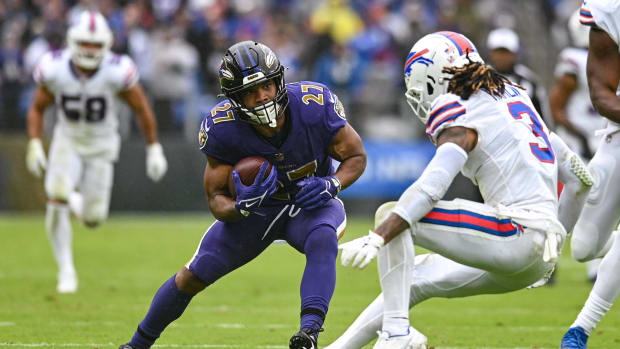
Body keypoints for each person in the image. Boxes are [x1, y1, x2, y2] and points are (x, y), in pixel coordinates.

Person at [326, 31, 593, 349]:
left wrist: (380, 234)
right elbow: (580, 178)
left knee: (392, 214)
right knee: (411, 278)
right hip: (534, 251)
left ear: (433, 74)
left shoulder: (458, 104)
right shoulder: (514, 95)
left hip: (514, 233)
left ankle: (397, 336)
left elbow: (431, 189)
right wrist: (554, 245)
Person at [118, 41, 366, 349]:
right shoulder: (223, 128)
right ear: (236, 99)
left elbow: (356, 156)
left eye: (266, 86)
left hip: (309, 203)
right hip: (258, 211)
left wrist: (332, 184)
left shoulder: (314, 105)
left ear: (279, 82)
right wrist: (241, 206)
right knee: (194, 274)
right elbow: (215, 199)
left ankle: (309, 333)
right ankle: (137, 344)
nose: (261, 97)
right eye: (250, 92)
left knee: (323, 238)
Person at [25, 11, 168, 294]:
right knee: (56, 195)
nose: (89, 50)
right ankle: (66, 271)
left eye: (94, 44)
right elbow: (38, 107)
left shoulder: (117, 70)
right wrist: (34, 142)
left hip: (102, 146)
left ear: (105, 44)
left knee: (93, 218)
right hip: (68, 140)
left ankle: (73, 200)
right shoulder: (54, 67)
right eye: (84, 44)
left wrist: (154, 147)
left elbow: (141, 109)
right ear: (72, 41)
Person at [560, 1, 620, 348]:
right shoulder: (609, 9)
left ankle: (578, 330)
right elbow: (601, 93)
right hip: (616, 138)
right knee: (584, 248)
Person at [550, 9, 607, 284]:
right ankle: (552, 263)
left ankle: (597, 263)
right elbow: (557, 106)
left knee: (600, 201)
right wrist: (578, 136)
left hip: (600, 138)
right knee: (585, 201)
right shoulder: (573, 59)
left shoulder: (607, 57)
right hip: (577, 142)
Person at [487, 28, 552, 127]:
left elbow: (542, 117)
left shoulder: (529, 81)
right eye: (498, 52)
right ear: (491, 53)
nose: (502, 57)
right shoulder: (478, 79)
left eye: (506, 52)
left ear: (515, 53)